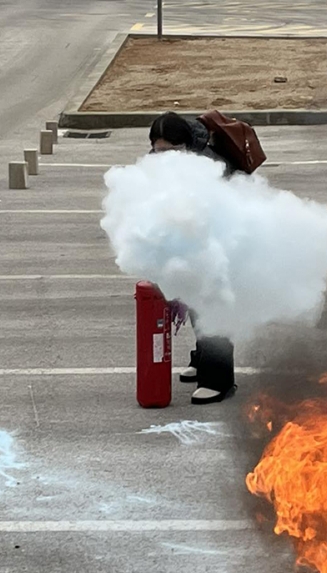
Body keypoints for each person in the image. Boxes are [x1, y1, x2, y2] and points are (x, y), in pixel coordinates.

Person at [148, 111, 236, 405]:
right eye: (158, 150)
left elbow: (218, 212)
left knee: (212, 308)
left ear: (184, 144)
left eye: (170, 150)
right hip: (187, 244)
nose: (163, 156)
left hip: (217, 244)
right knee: (194, 305)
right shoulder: (164, 162)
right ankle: (201, 361)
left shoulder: (211, 164)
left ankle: (219, 379)